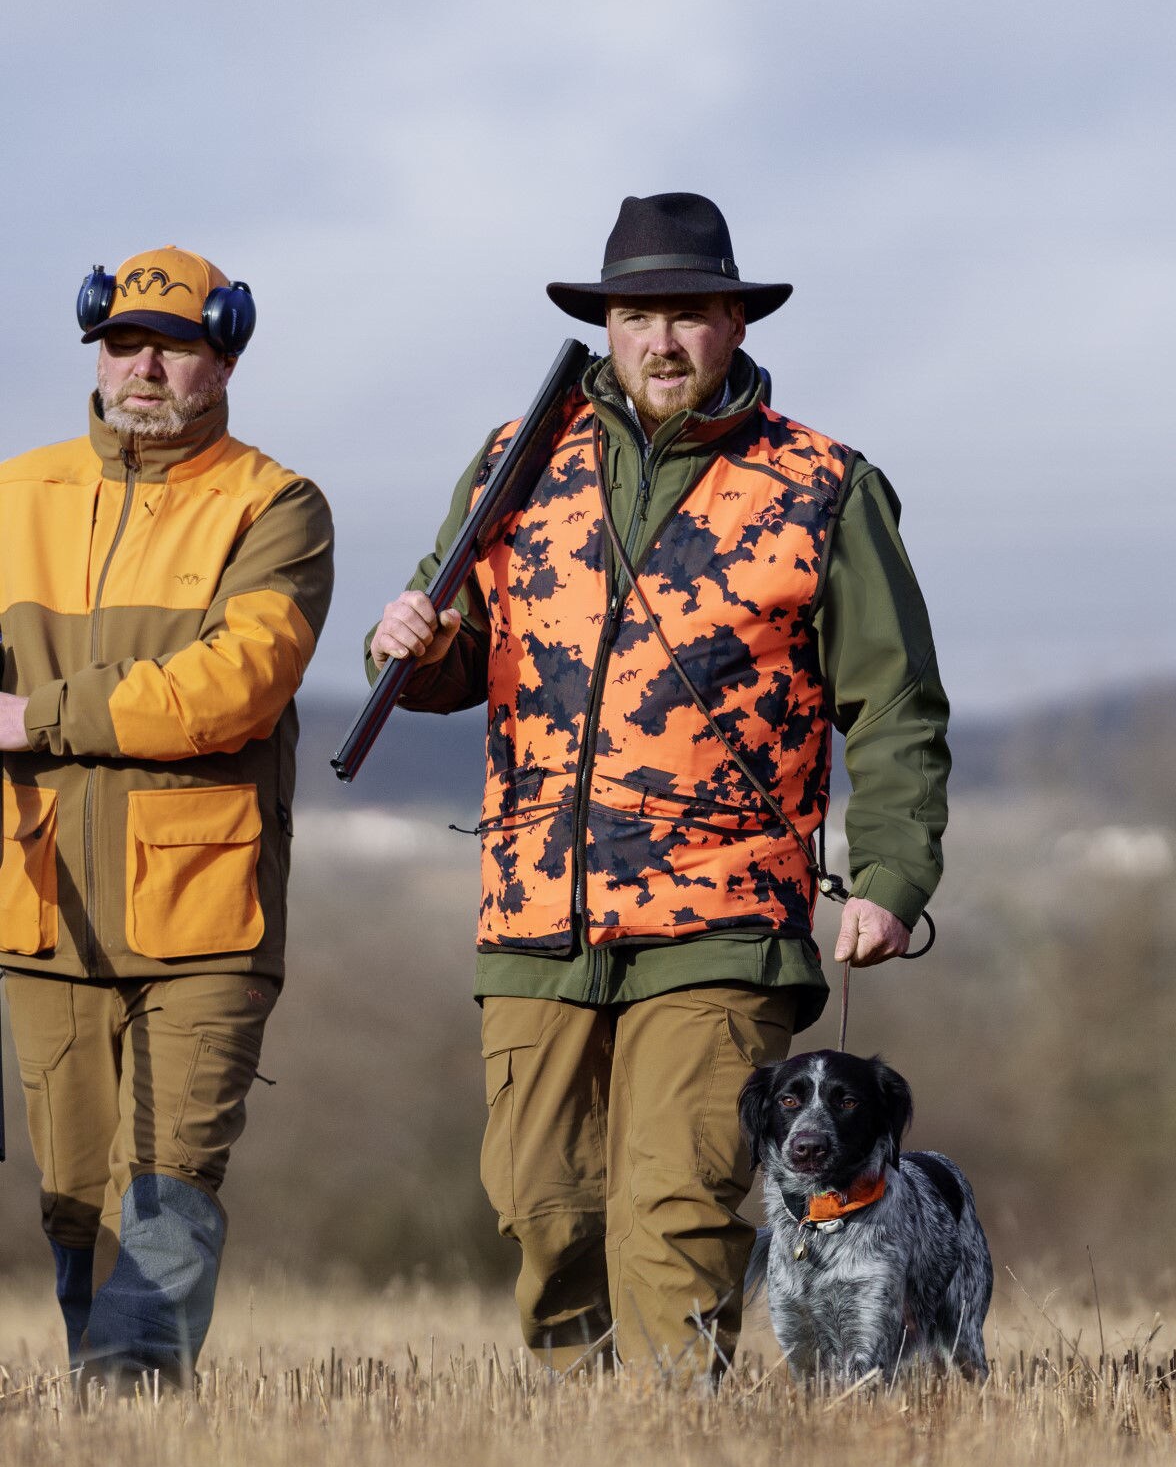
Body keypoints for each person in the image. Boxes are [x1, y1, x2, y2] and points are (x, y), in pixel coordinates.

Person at [369, 191, 949, 1377]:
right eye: (638, 317)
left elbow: (892, 705)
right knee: (541, 1204)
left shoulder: (823, 485)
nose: (663, 342)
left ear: (735, 323)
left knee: (675, 1211)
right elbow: (450, 655)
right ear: (608, 325)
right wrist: (409, 647)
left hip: (723, 919)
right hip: (536, 912)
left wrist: (889, 874)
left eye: (690, 314)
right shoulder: (514, 460)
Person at [0, 247, 334, 1381]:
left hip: (206, 913)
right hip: (42, 907)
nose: (144, 367)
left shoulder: (276, 506)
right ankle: (111, 1445)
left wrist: (39, 716)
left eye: (176, 346)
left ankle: (136, 1405)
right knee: (73, 1205)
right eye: (123, 343)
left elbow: (235, 687)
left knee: (166, 1189)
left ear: (223, 358)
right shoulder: (14, 494)